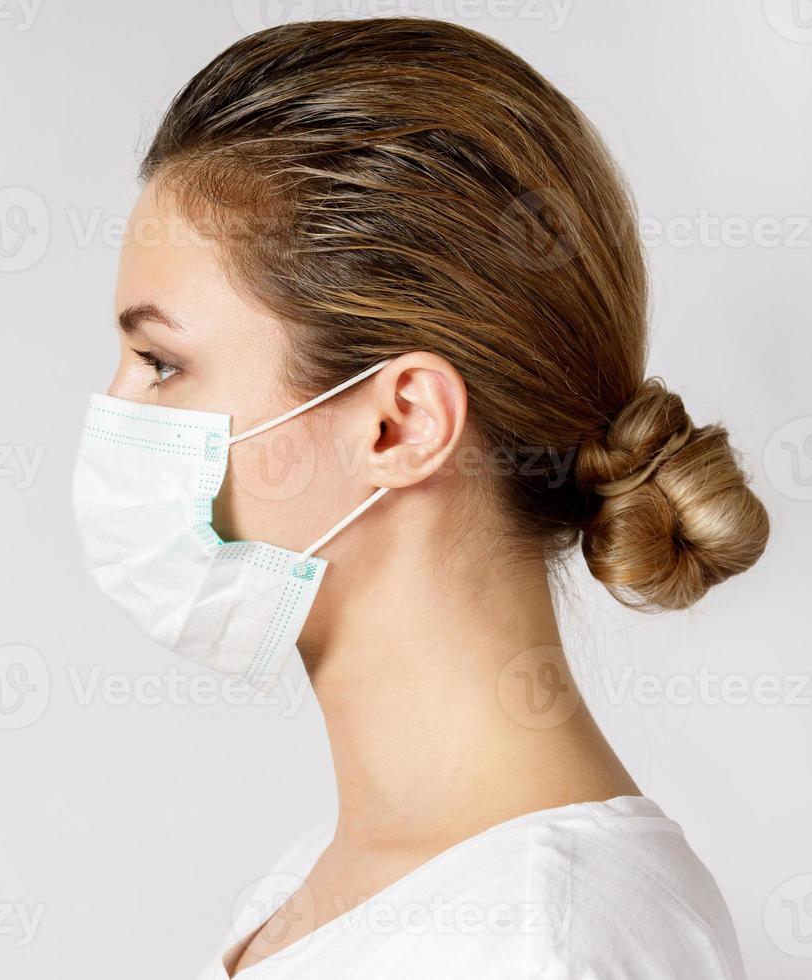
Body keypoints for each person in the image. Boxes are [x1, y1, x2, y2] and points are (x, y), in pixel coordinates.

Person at [71, 18, 768, 979]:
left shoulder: (536, 944)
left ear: (398, 425)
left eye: (161, 364)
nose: (113, 414)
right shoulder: (332, 889)